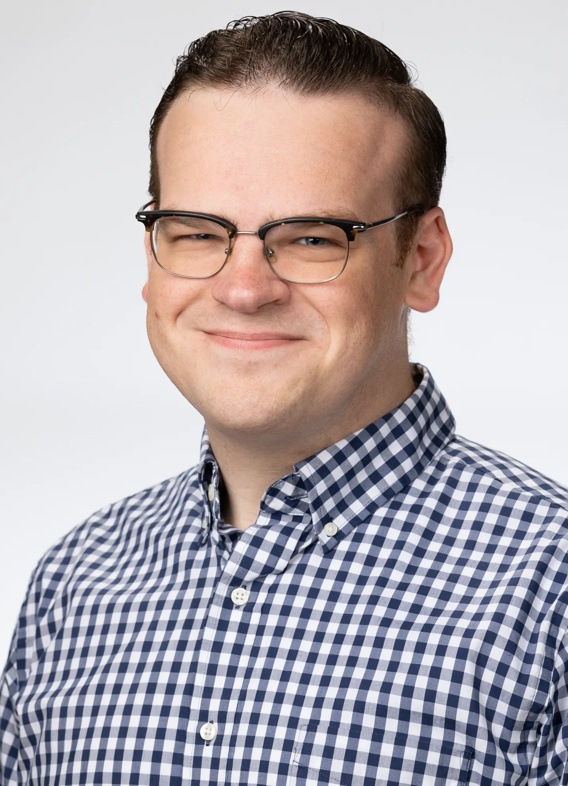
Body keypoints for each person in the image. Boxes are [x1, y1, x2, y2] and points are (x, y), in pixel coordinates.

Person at [1, 10, 567, 785]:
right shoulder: (74, 586)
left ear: (422, 260)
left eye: (310, 237)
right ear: (152, 256)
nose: (243, 289)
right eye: (198, 231)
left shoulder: (550, 592)